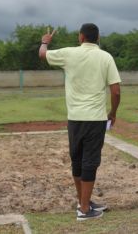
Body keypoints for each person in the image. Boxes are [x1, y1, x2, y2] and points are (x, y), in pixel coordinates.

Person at [38, 23, 121, 221]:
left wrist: (44, 42)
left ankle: (83, 202)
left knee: (77, 160)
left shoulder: (69, 54)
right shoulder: (106, 57)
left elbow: (42, 54)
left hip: (74, 118)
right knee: (90, 161)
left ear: (81, 37)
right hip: (95, 119)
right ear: (98, 37)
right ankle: (84, 209)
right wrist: (113, 112)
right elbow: (116, 91)